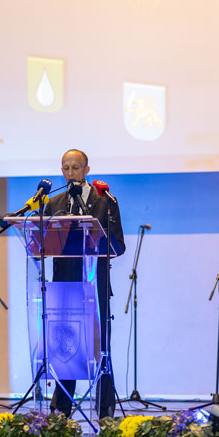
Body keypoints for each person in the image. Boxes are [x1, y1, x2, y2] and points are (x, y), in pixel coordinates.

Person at [42, 149, 125, 418]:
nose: (70, 173)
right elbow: (43, 243)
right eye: (65, 168)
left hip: (95, 286)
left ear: (87, 170)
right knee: (65, 348)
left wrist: (97, 237)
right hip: (64, 288)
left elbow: (118, 245)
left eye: (75, 167)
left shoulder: (105, 202)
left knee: (101, 349)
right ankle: (61, 412)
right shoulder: (53, 203)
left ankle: (105, 413)